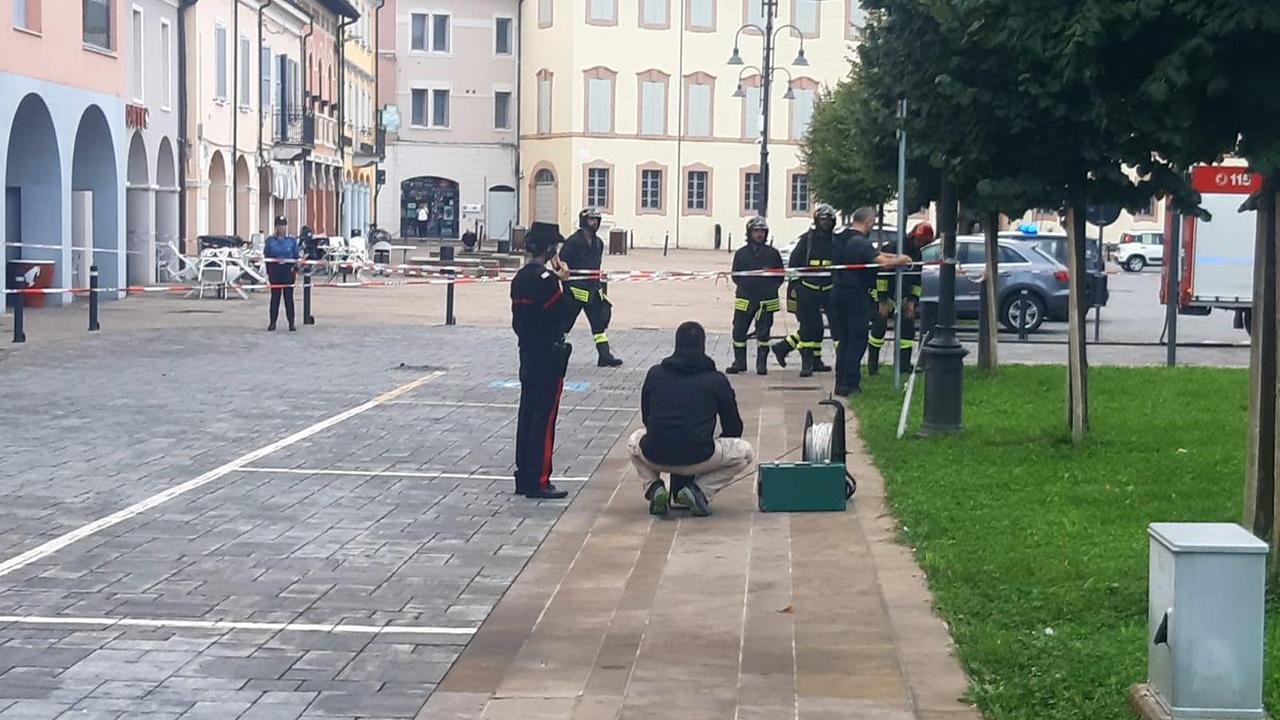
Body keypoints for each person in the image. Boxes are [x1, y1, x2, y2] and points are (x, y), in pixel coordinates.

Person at [629, 322, 756, 517]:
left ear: (676, 345)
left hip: (655, 454)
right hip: (699, 456)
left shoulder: (655, 374)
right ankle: (700, 491)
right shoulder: (716, 380)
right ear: (703, 347)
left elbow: (647, 418)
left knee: (633, 441)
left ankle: (654, 487)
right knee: (745, 453)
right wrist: (708, 441)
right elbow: (733, 427)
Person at [511, 221, 575, 500]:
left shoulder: (520, 278)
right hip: (547, 354)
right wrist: (565, 281)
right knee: (544, 418)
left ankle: (523, 475)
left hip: (527, 351)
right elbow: (565, 317)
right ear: (550, 249)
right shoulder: (547, 282)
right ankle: (540, 478)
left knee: (527, 415)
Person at [830, 208, 912, 396]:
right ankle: (850, 384)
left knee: (844, 341)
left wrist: (893, 256)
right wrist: (901, 260)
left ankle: (840, 383)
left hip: (837, 293)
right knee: (857, 340)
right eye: (872, 223)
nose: (872, 226)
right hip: (855, 295)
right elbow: (880, 261)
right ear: (868, 222)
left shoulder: (841, 239)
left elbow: (875, 254)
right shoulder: (860, 241)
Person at [560, 207, 623, 367]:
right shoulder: (573, 241)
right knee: (564, 324)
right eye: (591, 219)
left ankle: (604, 355)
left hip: (592, 290)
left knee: (598, 324)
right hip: (575, 291)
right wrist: (566, 282)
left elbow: (596, 267)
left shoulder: (599, 243)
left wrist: (601, 287)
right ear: (583, 221)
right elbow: (561, 262)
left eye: (596, 220)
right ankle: (553, 350)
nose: (594, 223)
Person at [868, 221, 933, 375]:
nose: (919, 244)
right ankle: (872, 366)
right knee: (878, 330)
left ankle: (904, 365)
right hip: (884, 296)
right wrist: (882, 300)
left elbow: (917, 280)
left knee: (907, 331)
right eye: (919, 241)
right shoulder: (893, 248)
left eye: (923, 243)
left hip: (903, 297)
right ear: (912, 236)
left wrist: (912, 301)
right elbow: (882, 274)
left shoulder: (918, 254)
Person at [786, 204, 842, 377]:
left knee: (837, 327)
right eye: (822, 220)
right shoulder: (807, 240)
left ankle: (835, 361)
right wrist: (796, 286)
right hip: (808, 289)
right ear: (817, 221)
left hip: (830, 289)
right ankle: (807, 364)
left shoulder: (836, 241)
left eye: (828, 220)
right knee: (810, 327)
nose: (825, 223)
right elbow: (793, 264)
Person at [727, 217, 784, 375]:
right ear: (749, 233)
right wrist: (748, 285)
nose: (759, 234)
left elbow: (780, 276)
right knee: (739, 331)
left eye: (762, 231)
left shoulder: (773, 254)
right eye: (756, 231)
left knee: (763, 333)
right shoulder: (741, 254)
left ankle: (761, 364)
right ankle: (739, 362)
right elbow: (735, 275)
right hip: (745, 299)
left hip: (766, 300)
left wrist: (768, 288)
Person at [264, 215, 300, 332]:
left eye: (283, 225)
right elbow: (267, 257)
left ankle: (291, 323)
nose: (281, 227)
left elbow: (295, 257)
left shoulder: (291, 241)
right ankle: (272, 322)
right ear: (276, 227)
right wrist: (269, 272)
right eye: (279, 225)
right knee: (275, 297)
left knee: (288, 298)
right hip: (275, 271)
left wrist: (295, 268)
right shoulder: (270, 241)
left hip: (287, 271)